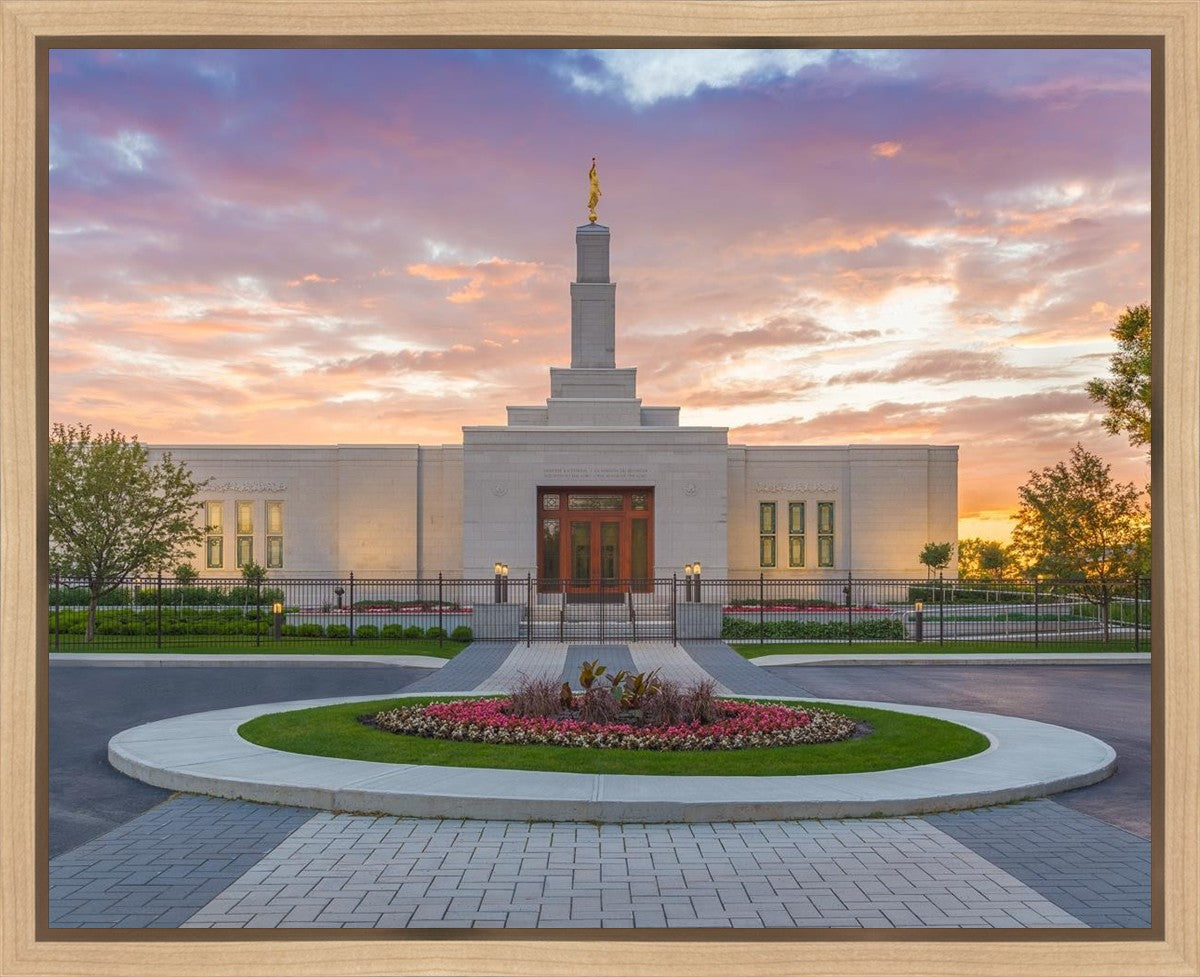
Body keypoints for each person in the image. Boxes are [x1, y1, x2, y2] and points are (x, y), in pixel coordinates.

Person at [587, 156, 601, 223]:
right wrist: (593, 167)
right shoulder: (591, 177)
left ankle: (592, 208)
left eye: (595, 171)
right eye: (594, 171)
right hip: (592, 187)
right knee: (592, 196)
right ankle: (591, 208)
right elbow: (589, 173)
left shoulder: (596, 179)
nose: (594, 172)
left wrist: (600, 191)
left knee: (596, 199)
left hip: (595, 188)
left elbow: (597, 186)